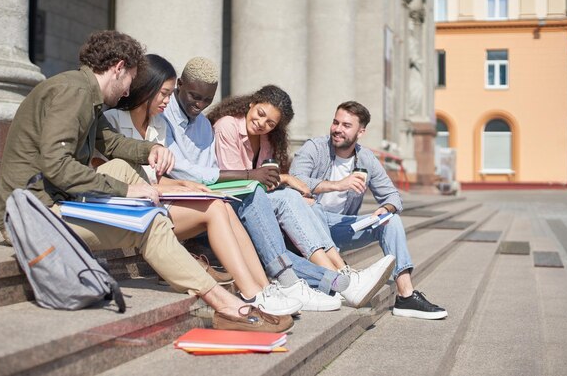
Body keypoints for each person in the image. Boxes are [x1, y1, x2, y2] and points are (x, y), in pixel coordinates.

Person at [0, 31, 292, 332]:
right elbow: (58, 166)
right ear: (118, 68)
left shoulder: (82, 91)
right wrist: (127, 190)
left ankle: (237, 290)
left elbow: (112, 144)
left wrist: (152, 149)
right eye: (129, 80)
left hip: (47, 205)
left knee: (123, 167)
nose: (127, 91)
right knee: (146, 222)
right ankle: (226, 305)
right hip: (34, 218)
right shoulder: (76, 93)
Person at [164, 57, 395, 310]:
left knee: (294, 204)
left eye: (270, 123)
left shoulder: (212, 129)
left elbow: (237, 177)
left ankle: (341, 278)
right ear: (251, 104)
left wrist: (274, 180)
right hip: (220, 204)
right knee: (282, 202)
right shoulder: (220, 125)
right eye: (260, 114)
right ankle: (337, 281)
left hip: (232, 203)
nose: (262, 123)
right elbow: (226, 179)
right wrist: (277, 179)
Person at [102, 54, 302, 316]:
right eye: (164, 93)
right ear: (147, 89)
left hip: (159, 201)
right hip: (131, 205)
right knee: (217, 208)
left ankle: (262, 289)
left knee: (221, 206)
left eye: (169, 93)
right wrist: (184, 185)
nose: (167, 100)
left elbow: (164, 175)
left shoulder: (158, 125)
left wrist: (186, 185)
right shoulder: (114, 120)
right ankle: (253, 293)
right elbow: (114, 175)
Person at [289, 101, 448, 320]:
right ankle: (343, 277)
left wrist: (385, 209)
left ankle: (406, 295)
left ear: (360, 132)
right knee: (312, 207)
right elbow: (295, 181)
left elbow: (393, 197)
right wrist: (337, 184)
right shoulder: (314, 148)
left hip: (339, 227)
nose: (338, 129)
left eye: (346, 125)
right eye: (336, 122)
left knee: (391, 221)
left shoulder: (365, 158)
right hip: (307, 226)